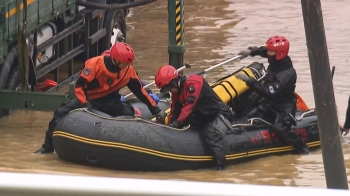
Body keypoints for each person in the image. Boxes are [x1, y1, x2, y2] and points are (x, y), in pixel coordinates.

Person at [35, 42, 166, 154]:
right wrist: (85, 103)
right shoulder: (95, 65)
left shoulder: (128, 71)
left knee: (128, 112)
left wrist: (155, 110)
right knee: (59, 113)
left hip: (110, 101)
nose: (127, 66)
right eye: (125, 63)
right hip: (89, 100)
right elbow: (79, 87)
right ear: (116, 59)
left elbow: (141, 92)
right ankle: (47, 147)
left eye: (129, 63)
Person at [236, 35, 309, 154]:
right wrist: (251, 51)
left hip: (284, 106)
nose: (268, 54)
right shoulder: (277, 58)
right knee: (245, 118)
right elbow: (264, 51)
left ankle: (301, 146)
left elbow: (268, 92)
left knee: (279, 128)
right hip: (270, 103)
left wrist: (250, 81)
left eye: (271, 52)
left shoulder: (286, 74)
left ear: (279, 54)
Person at [154, 65, 234, 170]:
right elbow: (174, 110)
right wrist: (170, 127)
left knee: (211, 136)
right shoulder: (176, 92)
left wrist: (177, 123)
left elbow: (189, 107)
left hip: (216, 115)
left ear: (174, 82)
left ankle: (221, 168)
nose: (170, 91)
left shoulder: (194, 83)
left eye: (169, 88)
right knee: (184, 124)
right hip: (200, 116)